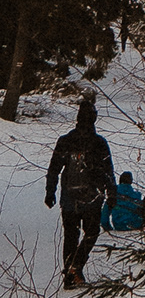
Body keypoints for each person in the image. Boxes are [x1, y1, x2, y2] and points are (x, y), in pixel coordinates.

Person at [45, 97, 115, 288]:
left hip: (70, 197)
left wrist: (50, 191)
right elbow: (108, 170)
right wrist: (111, 192)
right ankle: (75, 267)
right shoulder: (99, 143)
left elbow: (54, 169)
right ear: (94, 119)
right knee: (91, 232)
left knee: (71, 236)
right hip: (92, 197)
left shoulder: (66, 140)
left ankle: (70, 275)